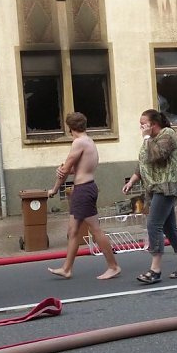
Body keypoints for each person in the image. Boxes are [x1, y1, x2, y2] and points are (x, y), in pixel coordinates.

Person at [122, 109, 177, 284]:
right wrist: (132, 181)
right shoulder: (149, 140)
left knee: (154, 224)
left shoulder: (167, 134)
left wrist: (147, 138)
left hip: (167, 186)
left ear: (154, 124)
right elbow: (143, 162)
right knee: (169, 227)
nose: (141, 127)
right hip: (154, 187)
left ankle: (155, 269)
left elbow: (158, 156)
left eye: (143, 124)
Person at [47, 113, 121, 280]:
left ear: (70, 128)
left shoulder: (78, 142)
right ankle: (66, 268)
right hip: (85, 188)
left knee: (95, 230)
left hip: (84, 190)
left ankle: (113, 266)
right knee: (73, 230)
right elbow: (77, 168)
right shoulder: (89, 141)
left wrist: (54, 188)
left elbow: (65, 170)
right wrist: (65, 169)